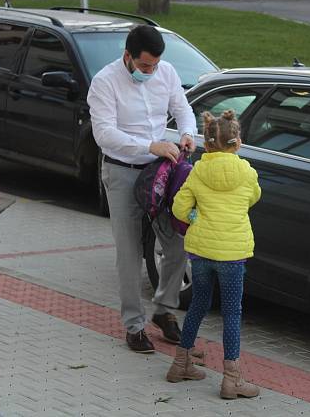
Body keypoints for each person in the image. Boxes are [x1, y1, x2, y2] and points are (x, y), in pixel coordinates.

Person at [87, 24, 197, 353]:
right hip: (122, 172)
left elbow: (182, 109)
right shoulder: (105, 82)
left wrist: (187, 132)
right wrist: (151, 145)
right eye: (145, 66)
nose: (151, 71)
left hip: (160, 172)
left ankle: (164, 311)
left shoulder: (166, 72)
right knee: (130, 253)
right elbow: (104, 134)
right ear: (128, 56)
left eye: (155, 65)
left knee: (176, 244)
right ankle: (134, 325)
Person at [166, 110, 262, 399]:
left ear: (206, 144)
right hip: (232, 253)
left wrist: (198, 217)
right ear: (238, 142)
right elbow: (253, 197)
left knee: (198, 304)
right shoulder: (247, 172)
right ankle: (231, 380)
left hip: (202, 252)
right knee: (232, 313)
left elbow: (178, 208)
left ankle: (180, 363)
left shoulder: (198, 172)